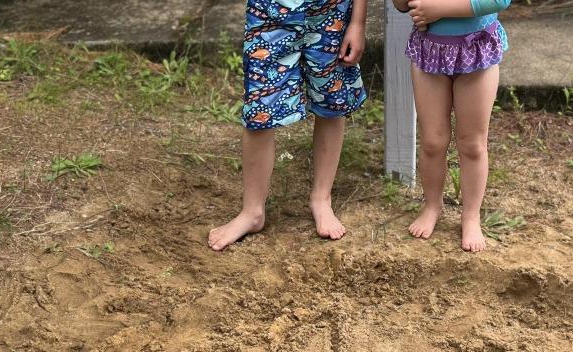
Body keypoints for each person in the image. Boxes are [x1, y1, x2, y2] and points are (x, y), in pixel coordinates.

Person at [209, 0, 369, 251]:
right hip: (270, 10)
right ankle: (252, 211)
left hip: (332, 11)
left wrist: (358, 22)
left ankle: (321, 198)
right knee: (260, 107)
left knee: (331, 101)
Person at [393, 0, 512, 252]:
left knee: (472, 144)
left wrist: (438, 9)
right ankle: (432, 206)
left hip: (476, 49)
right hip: (430, 51)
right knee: (433, 141)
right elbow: (403, 5)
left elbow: (500, 1)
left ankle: (471, 216)